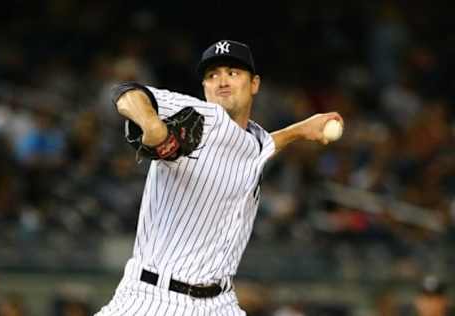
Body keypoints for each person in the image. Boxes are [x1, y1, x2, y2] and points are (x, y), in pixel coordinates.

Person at [94, 40, 343, 316]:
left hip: (219, 303)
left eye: (232, 73)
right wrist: (152, 124)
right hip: (154, 299)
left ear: (254, 84)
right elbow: (126, 92)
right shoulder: (202, 115)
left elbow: (256, 149)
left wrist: (301, 129)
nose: (221, 81)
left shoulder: (253, 142)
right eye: (212, 75)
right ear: (204, 88)